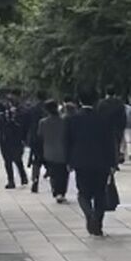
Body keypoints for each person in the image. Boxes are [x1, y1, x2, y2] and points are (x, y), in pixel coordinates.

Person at [66, 90, 120, 236]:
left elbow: (68, 141)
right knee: (100, 193)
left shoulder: (72, 119)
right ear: (96, 100)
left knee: (83, 193)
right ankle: (97, 223)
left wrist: (69, 161)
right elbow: (110, 142)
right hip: (101, 162)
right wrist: (112, 163)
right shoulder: (104, 119)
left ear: (80, 101)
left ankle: (89, 214)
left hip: (81, 162)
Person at [40, 100, 71, 204]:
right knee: (63, 173)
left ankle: (56, 191)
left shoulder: (43, 122)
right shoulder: (64, 121)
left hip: (49, 151)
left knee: (53, 173)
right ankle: (62, 192)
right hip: (63, 151)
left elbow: (40, 135)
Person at [0, 95, 29, 189]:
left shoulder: (15, 114)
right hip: (13, 140)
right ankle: (21, 178)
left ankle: (13, 180)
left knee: (10, 161)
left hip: (9, 140)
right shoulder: (18, 114)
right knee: (16, 160)